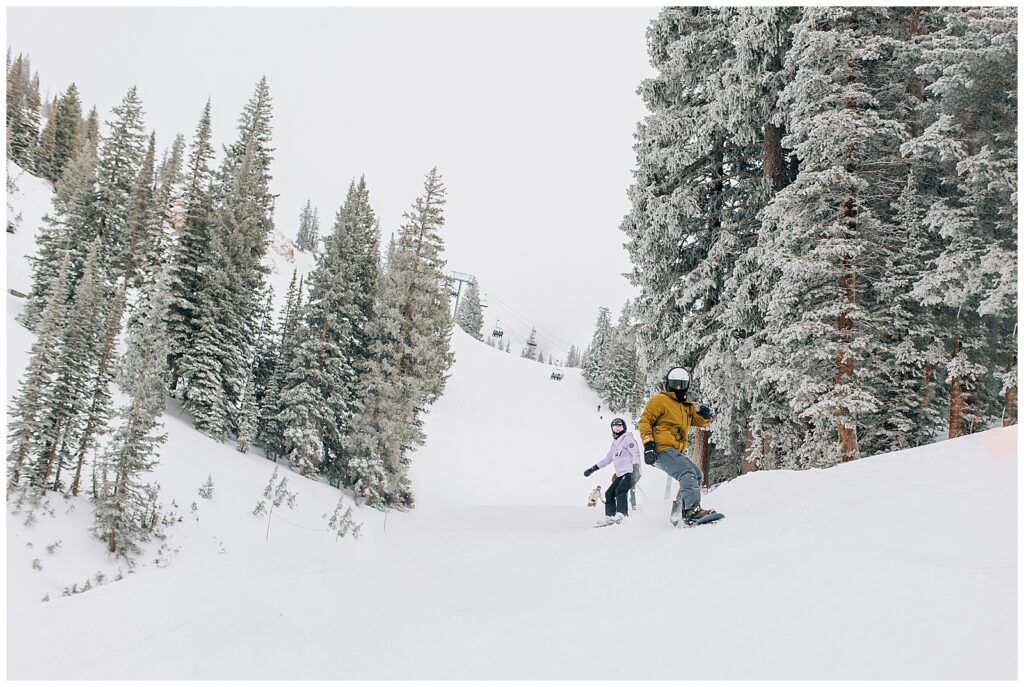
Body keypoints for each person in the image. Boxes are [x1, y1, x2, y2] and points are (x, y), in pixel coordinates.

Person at [637, 367, 715, 526]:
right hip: (660, 448)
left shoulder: (687, 406)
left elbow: (698, 421)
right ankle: (692, 511)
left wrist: (706, 417)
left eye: (682, 384)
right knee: (687, 473)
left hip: (673, 450)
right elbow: (645, 421)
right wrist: (648, 445)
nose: (678, 388)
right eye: (674, 384)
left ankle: (678, 512)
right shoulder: (659, 400)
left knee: (697, 474)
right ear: (668, 384)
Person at [583, 417, 641, 524]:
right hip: (621, 474)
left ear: (624, 427)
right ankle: (610, 516)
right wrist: (592, 469)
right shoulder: (615, 444)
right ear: (612, 429)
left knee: (620, 491)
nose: (618, 429)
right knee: (609, 493)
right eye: (615, 427)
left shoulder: (627, 439)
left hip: (631, 472)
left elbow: (635, 453)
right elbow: (607, 460)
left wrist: (636, 467)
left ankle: (622, 515)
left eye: (620, 426)